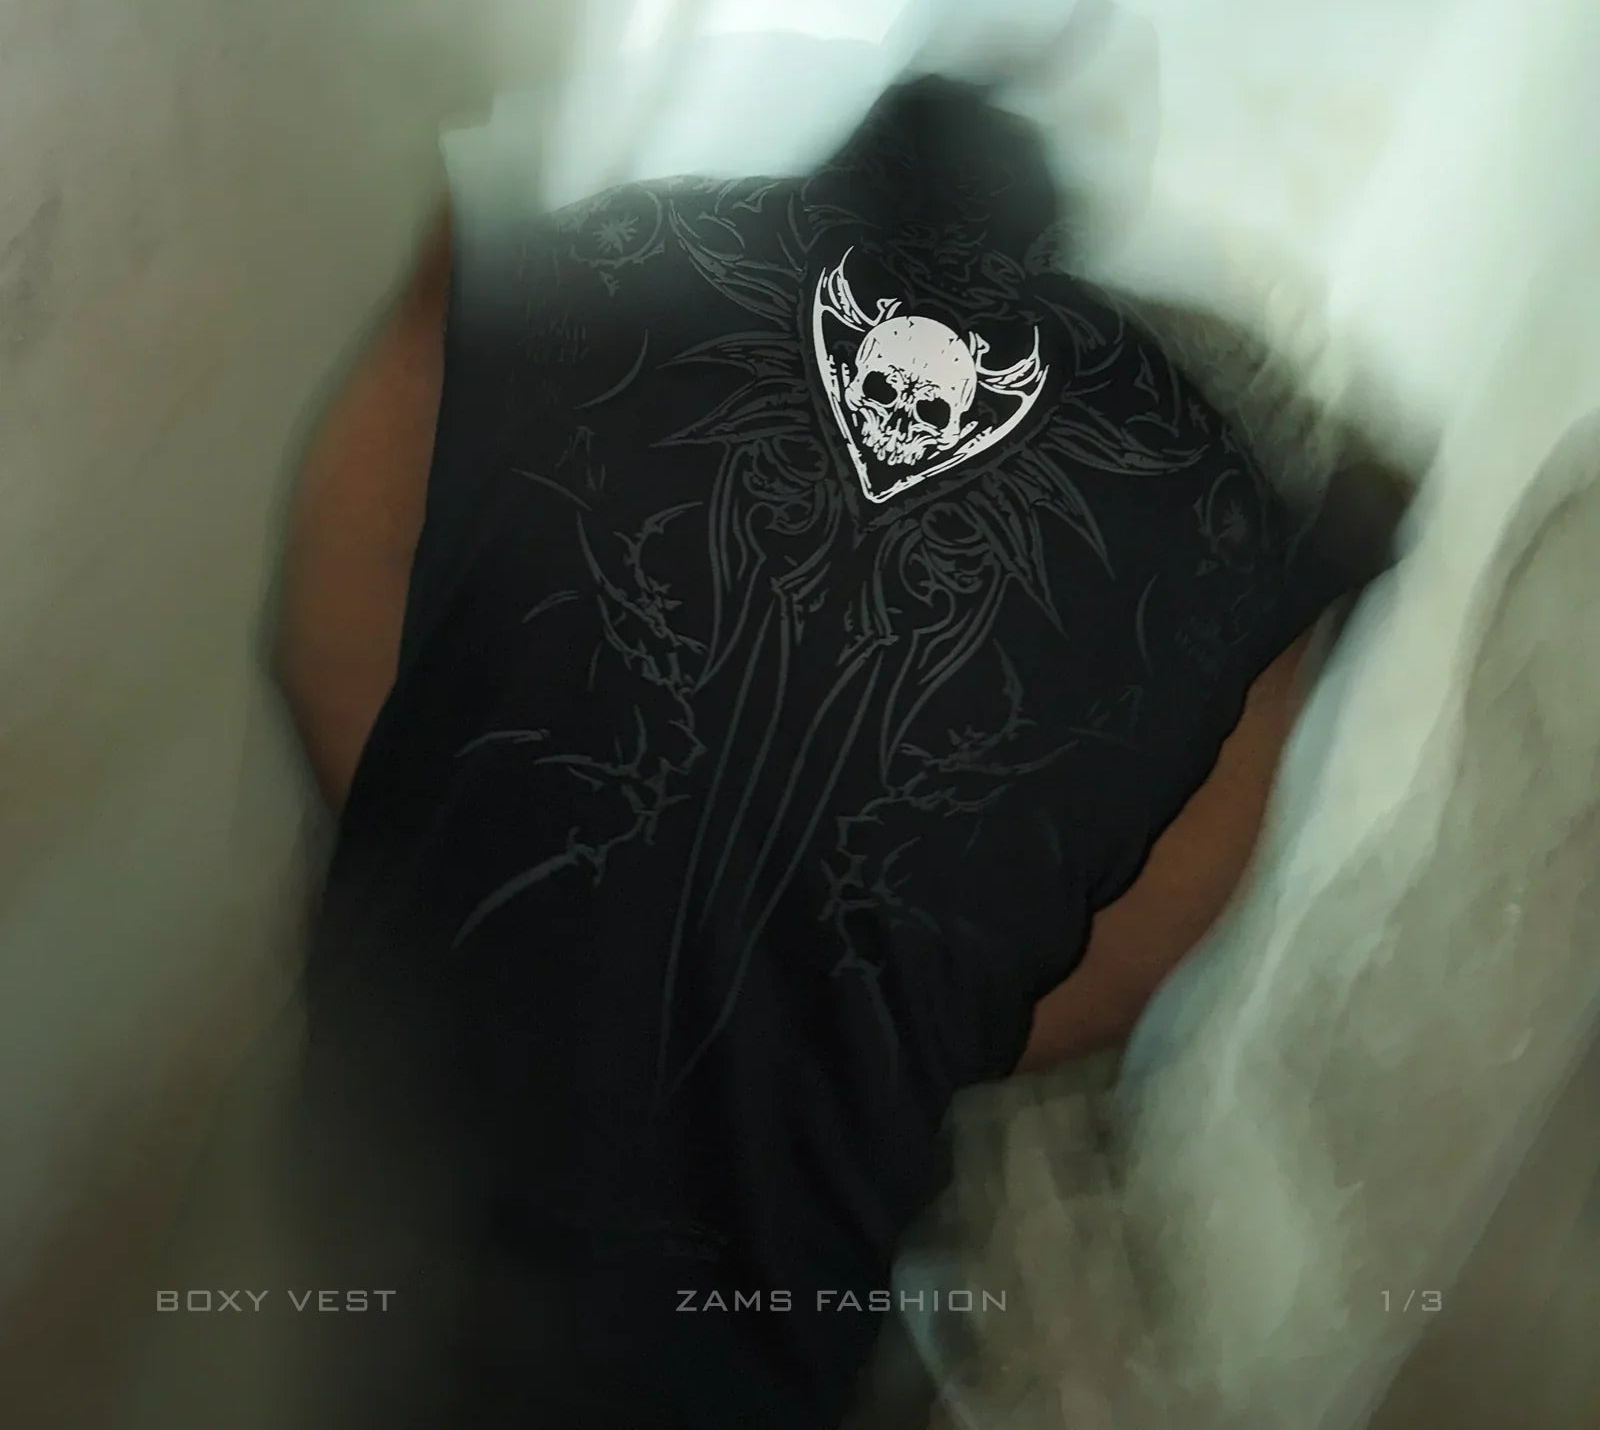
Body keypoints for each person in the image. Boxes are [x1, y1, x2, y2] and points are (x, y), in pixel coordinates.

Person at [272, 73, 1371, 1429]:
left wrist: (428, 879)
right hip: (752, 1277)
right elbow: (1138, 953)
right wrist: (913, 1031)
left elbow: (334, 627)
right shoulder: (1195, 501)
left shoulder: (592, 277)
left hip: (421, 1165)